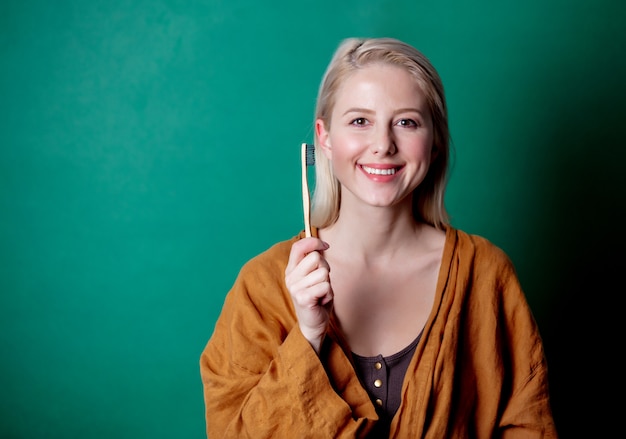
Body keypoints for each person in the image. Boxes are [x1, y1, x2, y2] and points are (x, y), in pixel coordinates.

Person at [199, 37, 558, 438]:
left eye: (406, 122)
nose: (383, 145)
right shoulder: (260, 286)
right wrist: (308, 335)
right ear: (325, 138)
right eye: (359, 121)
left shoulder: (486, 274)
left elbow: (528, 425)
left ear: (435, 142)